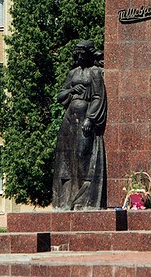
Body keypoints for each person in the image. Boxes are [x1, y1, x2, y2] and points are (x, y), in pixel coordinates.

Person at [52, 41, 107, 210]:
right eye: (78, 53)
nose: (80, 56)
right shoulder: (73, 73)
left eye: (83, 53)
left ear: (90, 54)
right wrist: (72, 90)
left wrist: (90, 118)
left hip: (85, 117)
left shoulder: (95, 72)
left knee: (83, 156)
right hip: (69, 119)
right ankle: (67, 199)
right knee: (67, 158)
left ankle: (83, 198)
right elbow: (60, 95)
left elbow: (98, 96)